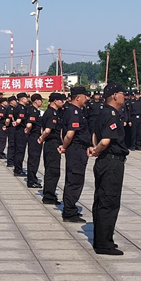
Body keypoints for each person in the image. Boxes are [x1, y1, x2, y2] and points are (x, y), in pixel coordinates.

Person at [88, 82, 129, 256]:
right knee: (109, 202)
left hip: (105, 161)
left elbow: (95, 135)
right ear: (114, 96)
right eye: (122, 94)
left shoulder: (102, 112)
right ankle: (104, 244)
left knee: (101, 200)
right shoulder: (111, 114)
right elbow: (105, 140)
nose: (124, 97)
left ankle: (101, 240)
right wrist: (97, 150)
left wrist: (94, 148)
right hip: (111, 162)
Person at [59, 86, 91, 223]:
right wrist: (64, 146)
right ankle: (69, 211)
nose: (86, 99)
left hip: (76, 149)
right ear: (78, 97)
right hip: (76, 150)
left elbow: (63, 131)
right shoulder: (74, 112)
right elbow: (69, 134)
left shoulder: (70, 110)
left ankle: (70, 208)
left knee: (73, 179)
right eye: (84, 96)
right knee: (75, 180)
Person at [37, 92, 65, 203]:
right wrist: (42, 138)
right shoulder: (52, 113)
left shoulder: (50, 112)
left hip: (51, 143)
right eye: (61, 100)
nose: (62, 102)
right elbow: (48, 130)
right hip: (52, 143)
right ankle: (49, 196)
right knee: (53, 170)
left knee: (51, 169)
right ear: (55, 101)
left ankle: (49, 193)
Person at [26, 93, 43, 188]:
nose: (41, 102)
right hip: (34, 136)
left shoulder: (35, 110)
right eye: (40, 100)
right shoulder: (33, 111)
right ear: (36, 100)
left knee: (35, 159)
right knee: (34, 158)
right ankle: (31, 180)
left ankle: (33, 178)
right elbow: (29, 124)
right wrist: (28, 130)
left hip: (35, 136)